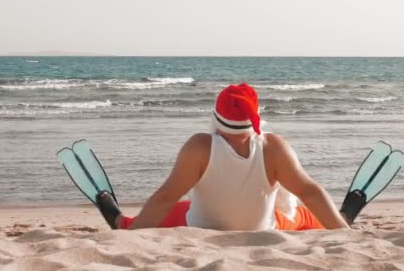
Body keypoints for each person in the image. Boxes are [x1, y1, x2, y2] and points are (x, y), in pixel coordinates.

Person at [97, 83, 350, 230]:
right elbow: (311, 192)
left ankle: (122, 223)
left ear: (216, 117)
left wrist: (133, 234)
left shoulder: (199, 146)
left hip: (201, 228)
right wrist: (345, 234)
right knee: (302, 215)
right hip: (261, 229)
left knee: (177, 207)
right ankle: (342, 221)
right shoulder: (274, 146)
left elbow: (165, 198)